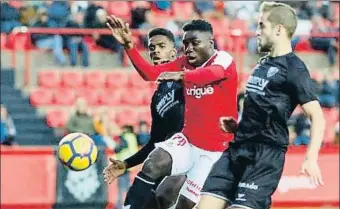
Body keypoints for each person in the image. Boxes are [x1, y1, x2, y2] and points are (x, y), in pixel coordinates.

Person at [197, 2, 326, 209]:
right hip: (237, 150)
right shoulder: (262, 64)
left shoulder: (294, 69)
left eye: (261, 26)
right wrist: (237, 126)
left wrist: (310, 159)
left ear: (278, 29)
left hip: (264, 156)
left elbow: (318, 117)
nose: (256, 32)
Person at [105, 17, 238, 209]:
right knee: (153, 163)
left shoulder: (223, 59)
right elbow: (150, 73)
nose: (189, 48)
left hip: (215, 150)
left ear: (210, 42)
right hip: (188, 141)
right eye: (186, 44)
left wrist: (182, 75)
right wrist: (129, 46)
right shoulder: (181, 66)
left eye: (195, 43)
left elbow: (212, 74)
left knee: (184, 203)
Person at [103, 28, 187, 209]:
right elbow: (154, 142)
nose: (155, 50)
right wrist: (126, 163)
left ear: (174, 52)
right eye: (151, 48)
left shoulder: (186, 75)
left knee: (164, 195)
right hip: (166, 160)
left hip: (191, 158)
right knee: (139, 198)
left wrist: (129, 47)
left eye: (161, 46)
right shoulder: (157, 97)